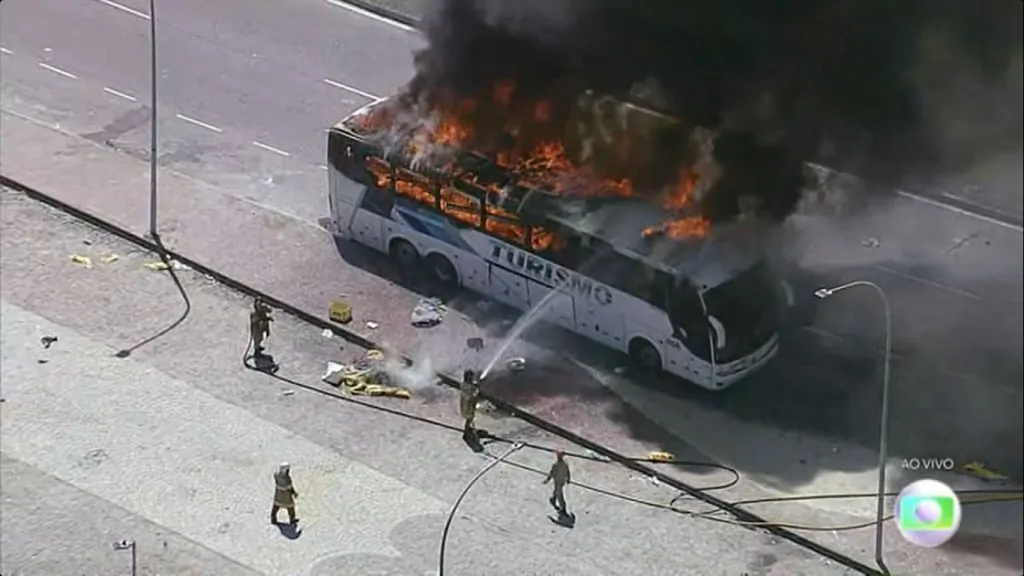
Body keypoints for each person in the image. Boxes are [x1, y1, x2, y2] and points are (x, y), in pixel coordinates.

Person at [543, 449, 571, 515]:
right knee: (557, 490)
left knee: (560, 495)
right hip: (562, 481)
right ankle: (553, 499)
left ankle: (563, 508)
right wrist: (568, 479)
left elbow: (551, 473)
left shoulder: (555, 465)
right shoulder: (565, 464)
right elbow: (568, 472)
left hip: (558, 481)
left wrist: (547, 480)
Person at [459, 369, 480, 441]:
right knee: (469, 417)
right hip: (468, 405)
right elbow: (471, 395)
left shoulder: (464, 384)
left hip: (466, 404)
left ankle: (467, 429)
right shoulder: (468, 386)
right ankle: (467, 431)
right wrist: (477, 390)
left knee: (469, 418)